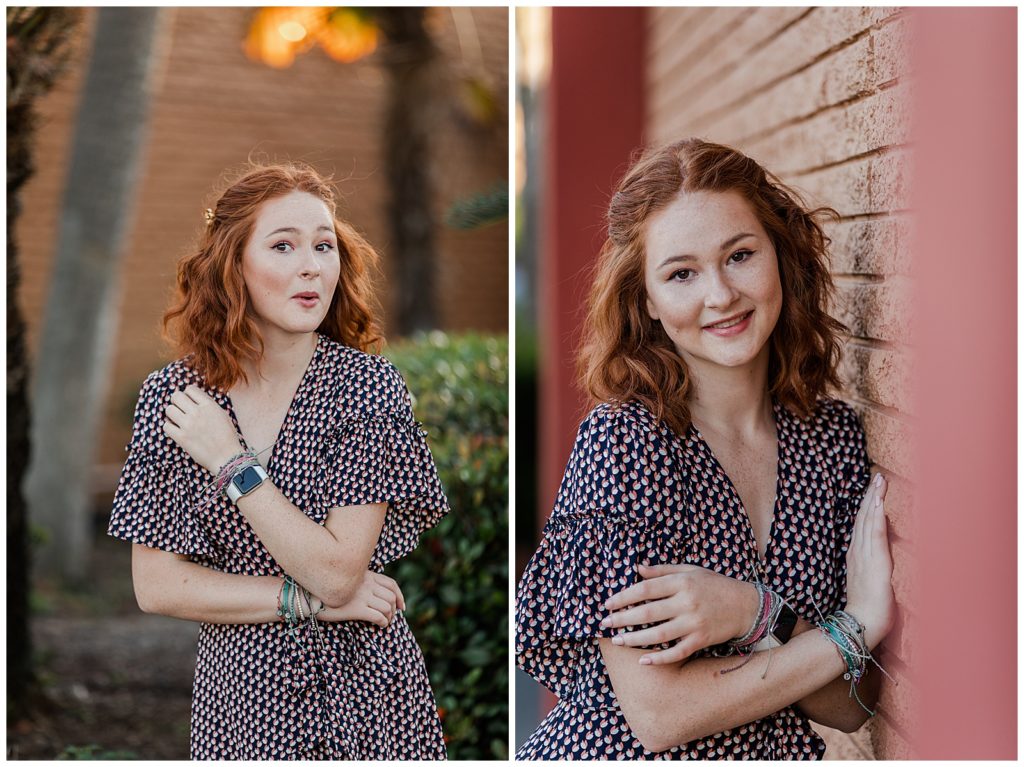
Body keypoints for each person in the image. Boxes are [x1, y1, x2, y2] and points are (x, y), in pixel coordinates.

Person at [515, 138, 896, 760]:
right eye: (682, 273)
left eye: (740, 256)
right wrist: (848, 628)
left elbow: (849, 705)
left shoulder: (830, 441)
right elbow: (661, 713)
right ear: (648, 302)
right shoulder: (627, 443)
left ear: (781, 258)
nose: (719, 295)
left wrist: (757, 613)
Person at [108, 162, 449, 760]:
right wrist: (302, 599)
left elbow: (341, 572)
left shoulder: (364, 387)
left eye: (324, 246)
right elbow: (157, 586)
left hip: (364, 690)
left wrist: (231, 462)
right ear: (233, 265)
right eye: (283, 246)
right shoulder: (174, 399)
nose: (311, 265)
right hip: (241, 696)